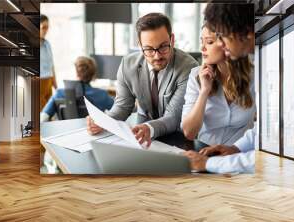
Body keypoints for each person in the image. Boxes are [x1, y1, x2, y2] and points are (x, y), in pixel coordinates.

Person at [86, 13, 198, 146]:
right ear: (140, 45)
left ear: (172, 40)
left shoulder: (188, 67)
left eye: (163, 47)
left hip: (177, 137)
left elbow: (173, 117)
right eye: (149, 49)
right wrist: (102, 121)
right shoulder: (127, 65)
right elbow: (122, 107)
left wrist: (149, 128)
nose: (157, 56)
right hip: (141, 132)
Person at [183, 3, 256, 173]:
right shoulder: (197, 75)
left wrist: (233, 151)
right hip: (209, 152)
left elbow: (271, 133)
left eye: (211, 41)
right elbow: (189, 132)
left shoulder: (259, 69)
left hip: (235, 162)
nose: (222, 44)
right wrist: (204, 91)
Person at [40, 56, 114, 122]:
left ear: (76, 73)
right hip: (94, 135)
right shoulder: (102, 94)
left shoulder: (59, 93)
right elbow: (119, 112)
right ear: (93, 74)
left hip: (65, 134)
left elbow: (43, 118)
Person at [40, 14, 57, 111]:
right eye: (43, 27)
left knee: (49, 113)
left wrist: (56, 87)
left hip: (49, 82)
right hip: (40, 83)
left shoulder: (47, 44)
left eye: (47, 27)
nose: (46, 30)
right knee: (42, 114)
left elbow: (52, 66)